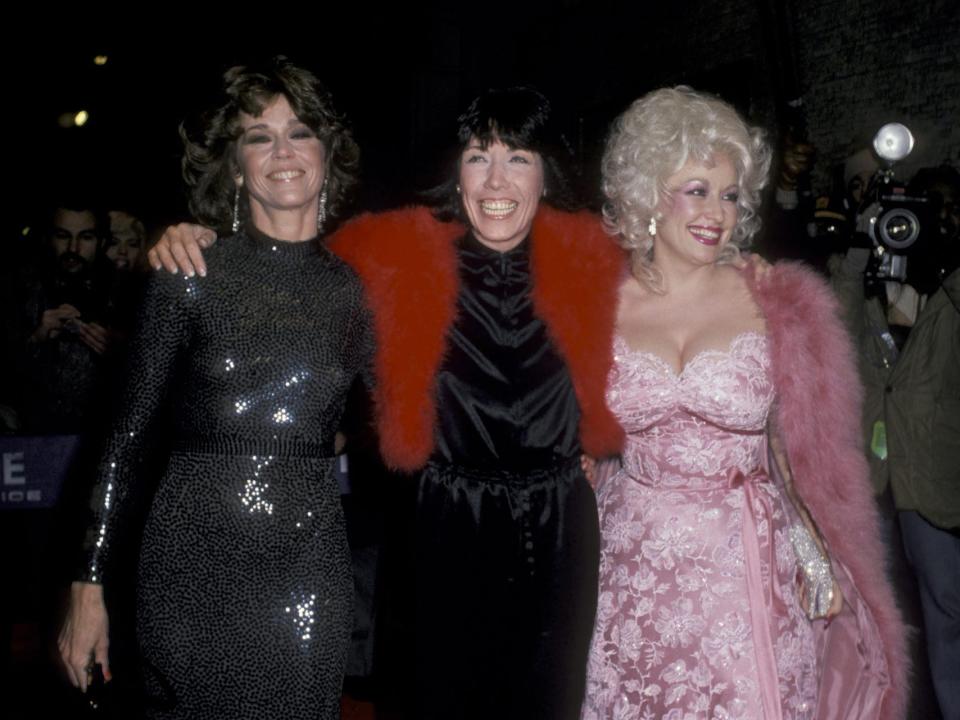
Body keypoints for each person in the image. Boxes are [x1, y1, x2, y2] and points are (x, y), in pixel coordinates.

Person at [150, 86, 625, 720]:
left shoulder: (599, 256)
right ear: (455, 174)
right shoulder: (393, 250)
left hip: (561, 524)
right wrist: (201, 236)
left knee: (550, 700)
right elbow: (286, 258)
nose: (496, 179)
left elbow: (686, 288)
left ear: (546, 174)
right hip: (444, 521)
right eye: (479, 157)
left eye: (519, 158)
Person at [58, 57, 370, 720]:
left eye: (300, 132)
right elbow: (124, 440)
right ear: (234, 164)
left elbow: (403, 412)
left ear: (328, 154)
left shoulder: (360, 289)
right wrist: (87, 585)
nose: (282, 151)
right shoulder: (187, 273)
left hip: (307, 568)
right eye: (259, 136)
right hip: (188, 565)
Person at [582, 87, 907, 719]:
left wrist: (820, 554)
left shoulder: (775, 302)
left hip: (745, 564)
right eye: (697, 190)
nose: (718, 214)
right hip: (627, 563)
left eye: (731, 195)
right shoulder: (595, 304)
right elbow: (569, 429)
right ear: (648, 192)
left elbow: (806, 452)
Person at [830, 164, 960, 720]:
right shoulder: (859, 273)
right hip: (870, 471)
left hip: (931, 471)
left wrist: (946, 262)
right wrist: (863, 244)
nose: (906, 227)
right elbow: (830, 322)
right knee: (869, 610)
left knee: (947, 608)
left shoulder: (949, 283)